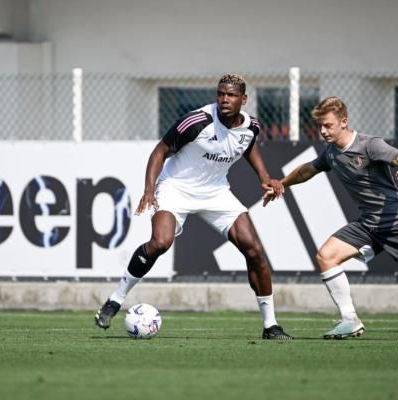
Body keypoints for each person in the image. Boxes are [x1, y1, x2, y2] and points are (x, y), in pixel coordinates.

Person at [95, 73, 292, 340]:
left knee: (255, 251)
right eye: (221, 93)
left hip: (216, 193)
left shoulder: (251, 126)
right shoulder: (197, 121)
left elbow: (248, 145)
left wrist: (265, 178)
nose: (224, 99)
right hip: (175, 188)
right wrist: (149, 191)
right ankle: (115, 300)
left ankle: (271, 326)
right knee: (160, 243)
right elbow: (160, 150)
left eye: (231, 95)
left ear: (243, 99)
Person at [266, 96, 398, 339]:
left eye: (328, 125)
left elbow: (395, 157)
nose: (323, 131)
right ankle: (349, 320)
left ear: (344, 121)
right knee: (326, 256)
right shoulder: (331, 153)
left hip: (393, 221)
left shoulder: (370, 145)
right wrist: (281, 184)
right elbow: (307, 171)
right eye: (320, 126)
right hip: (368, 225)